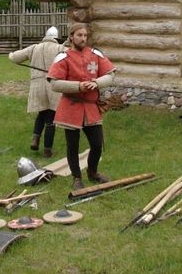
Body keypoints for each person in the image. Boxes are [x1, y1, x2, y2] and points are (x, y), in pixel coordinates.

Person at [47, 23, 116, 190]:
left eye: (85, 35)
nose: (83, 38)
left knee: (97, 144)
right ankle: (77, 178)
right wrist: (78, 86)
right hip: (71, 107)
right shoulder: (63, 57)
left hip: (91, 108)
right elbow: (55, 84)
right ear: (71, 36)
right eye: (79, 35)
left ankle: (93, 173)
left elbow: (110, 74)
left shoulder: (95, 54)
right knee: (73, 146)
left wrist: (96, 83)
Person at [9, 26, 66, 157]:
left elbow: (15, 58)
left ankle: (35, 138)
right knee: (51, 117)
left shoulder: (34, 48)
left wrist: (11, 54)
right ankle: (47, 150)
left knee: (42, 113)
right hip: (53, 86)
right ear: (56, 38)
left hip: (37, 86)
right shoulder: (60, 49)